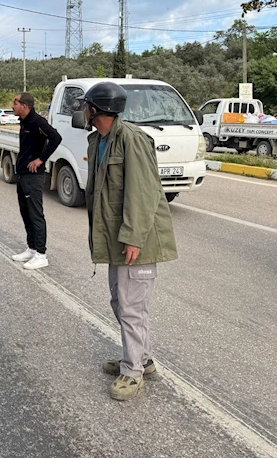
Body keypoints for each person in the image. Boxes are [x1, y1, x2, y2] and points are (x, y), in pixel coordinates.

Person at [79, 81, 178, 401]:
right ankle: (141, 358)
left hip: (137, 240)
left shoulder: (132, 140)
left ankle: (133, 371)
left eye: (86, 106)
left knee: (132, 306)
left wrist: (134, 237)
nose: (83, 111)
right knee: (121, 302)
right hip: (115, 239)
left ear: (97, 109)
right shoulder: (99, 141)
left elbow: (144, 192)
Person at [10, 92, 62, 270]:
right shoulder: (24, 122)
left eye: (15, 103)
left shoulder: (37, 121)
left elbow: (56, 138)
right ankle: (31, 249)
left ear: (24, 105)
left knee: (35, 214)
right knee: (25, 212)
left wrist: (41, 159)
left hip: (34, 176)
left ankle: (41, 254)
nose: (12, 106)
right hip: (23, 174)